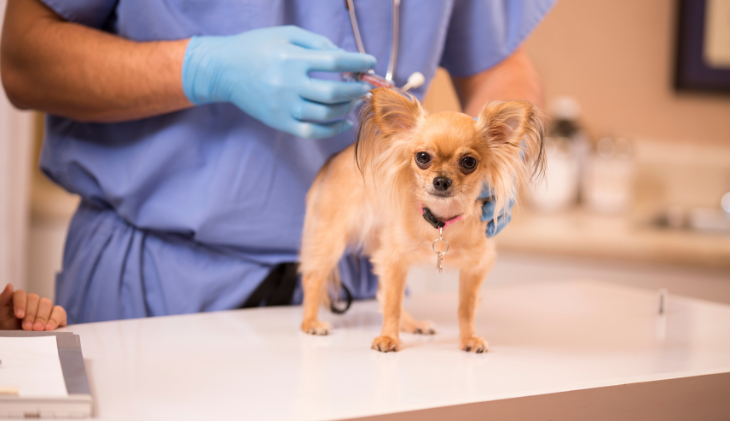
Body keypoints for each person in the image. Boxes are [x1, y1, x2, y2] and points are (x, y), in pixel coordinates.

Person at [1, 0, 554, 325]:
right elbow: (24, 59)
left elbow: (499, 66)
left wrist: (504, 160)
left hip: (354, 290)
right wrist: (205, 68)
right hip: (156, 286)